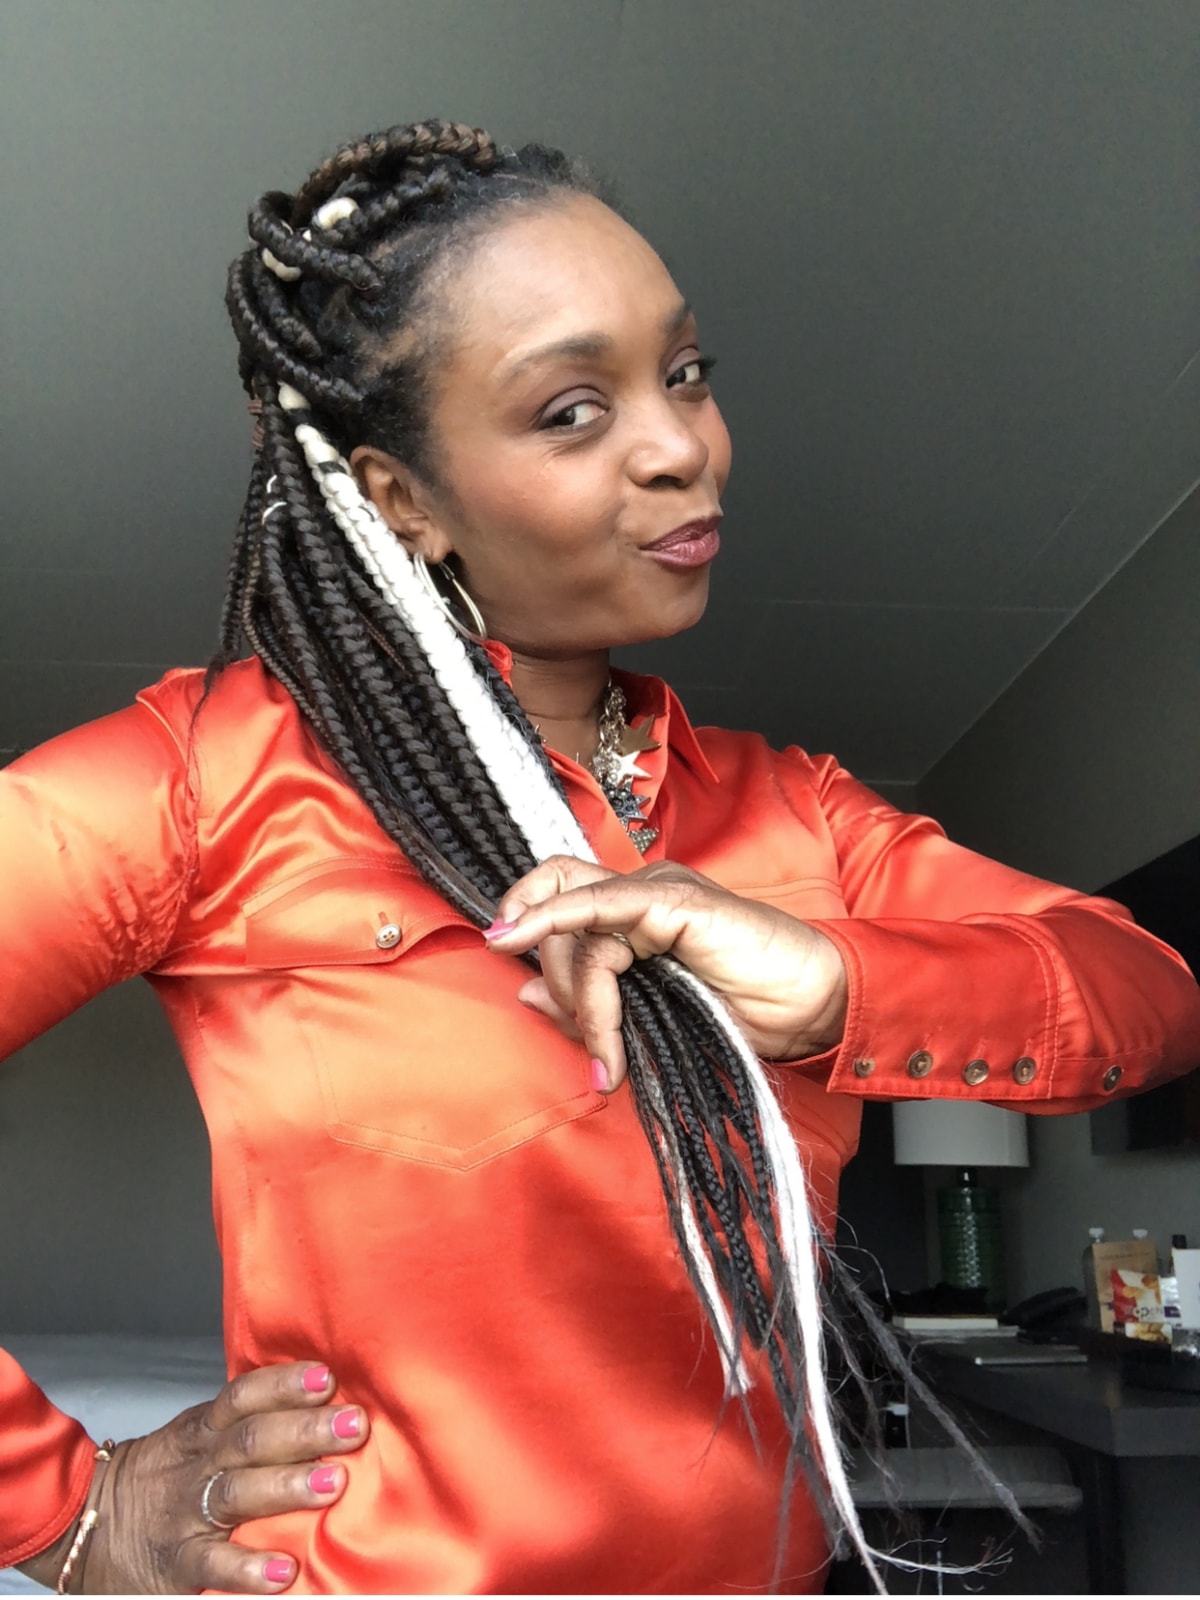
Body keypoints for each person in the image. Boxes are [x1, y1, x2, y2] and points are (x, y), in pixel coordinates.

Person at [3, 118, 1199, 1596]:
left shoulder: (795, 811)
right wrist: (65, 1513)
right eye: (573, 410)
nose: (684, 446)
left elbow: (1143, 990)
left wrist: (838, 987)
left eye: (685, 372)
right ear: (403, 498)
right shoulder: (212, 778)